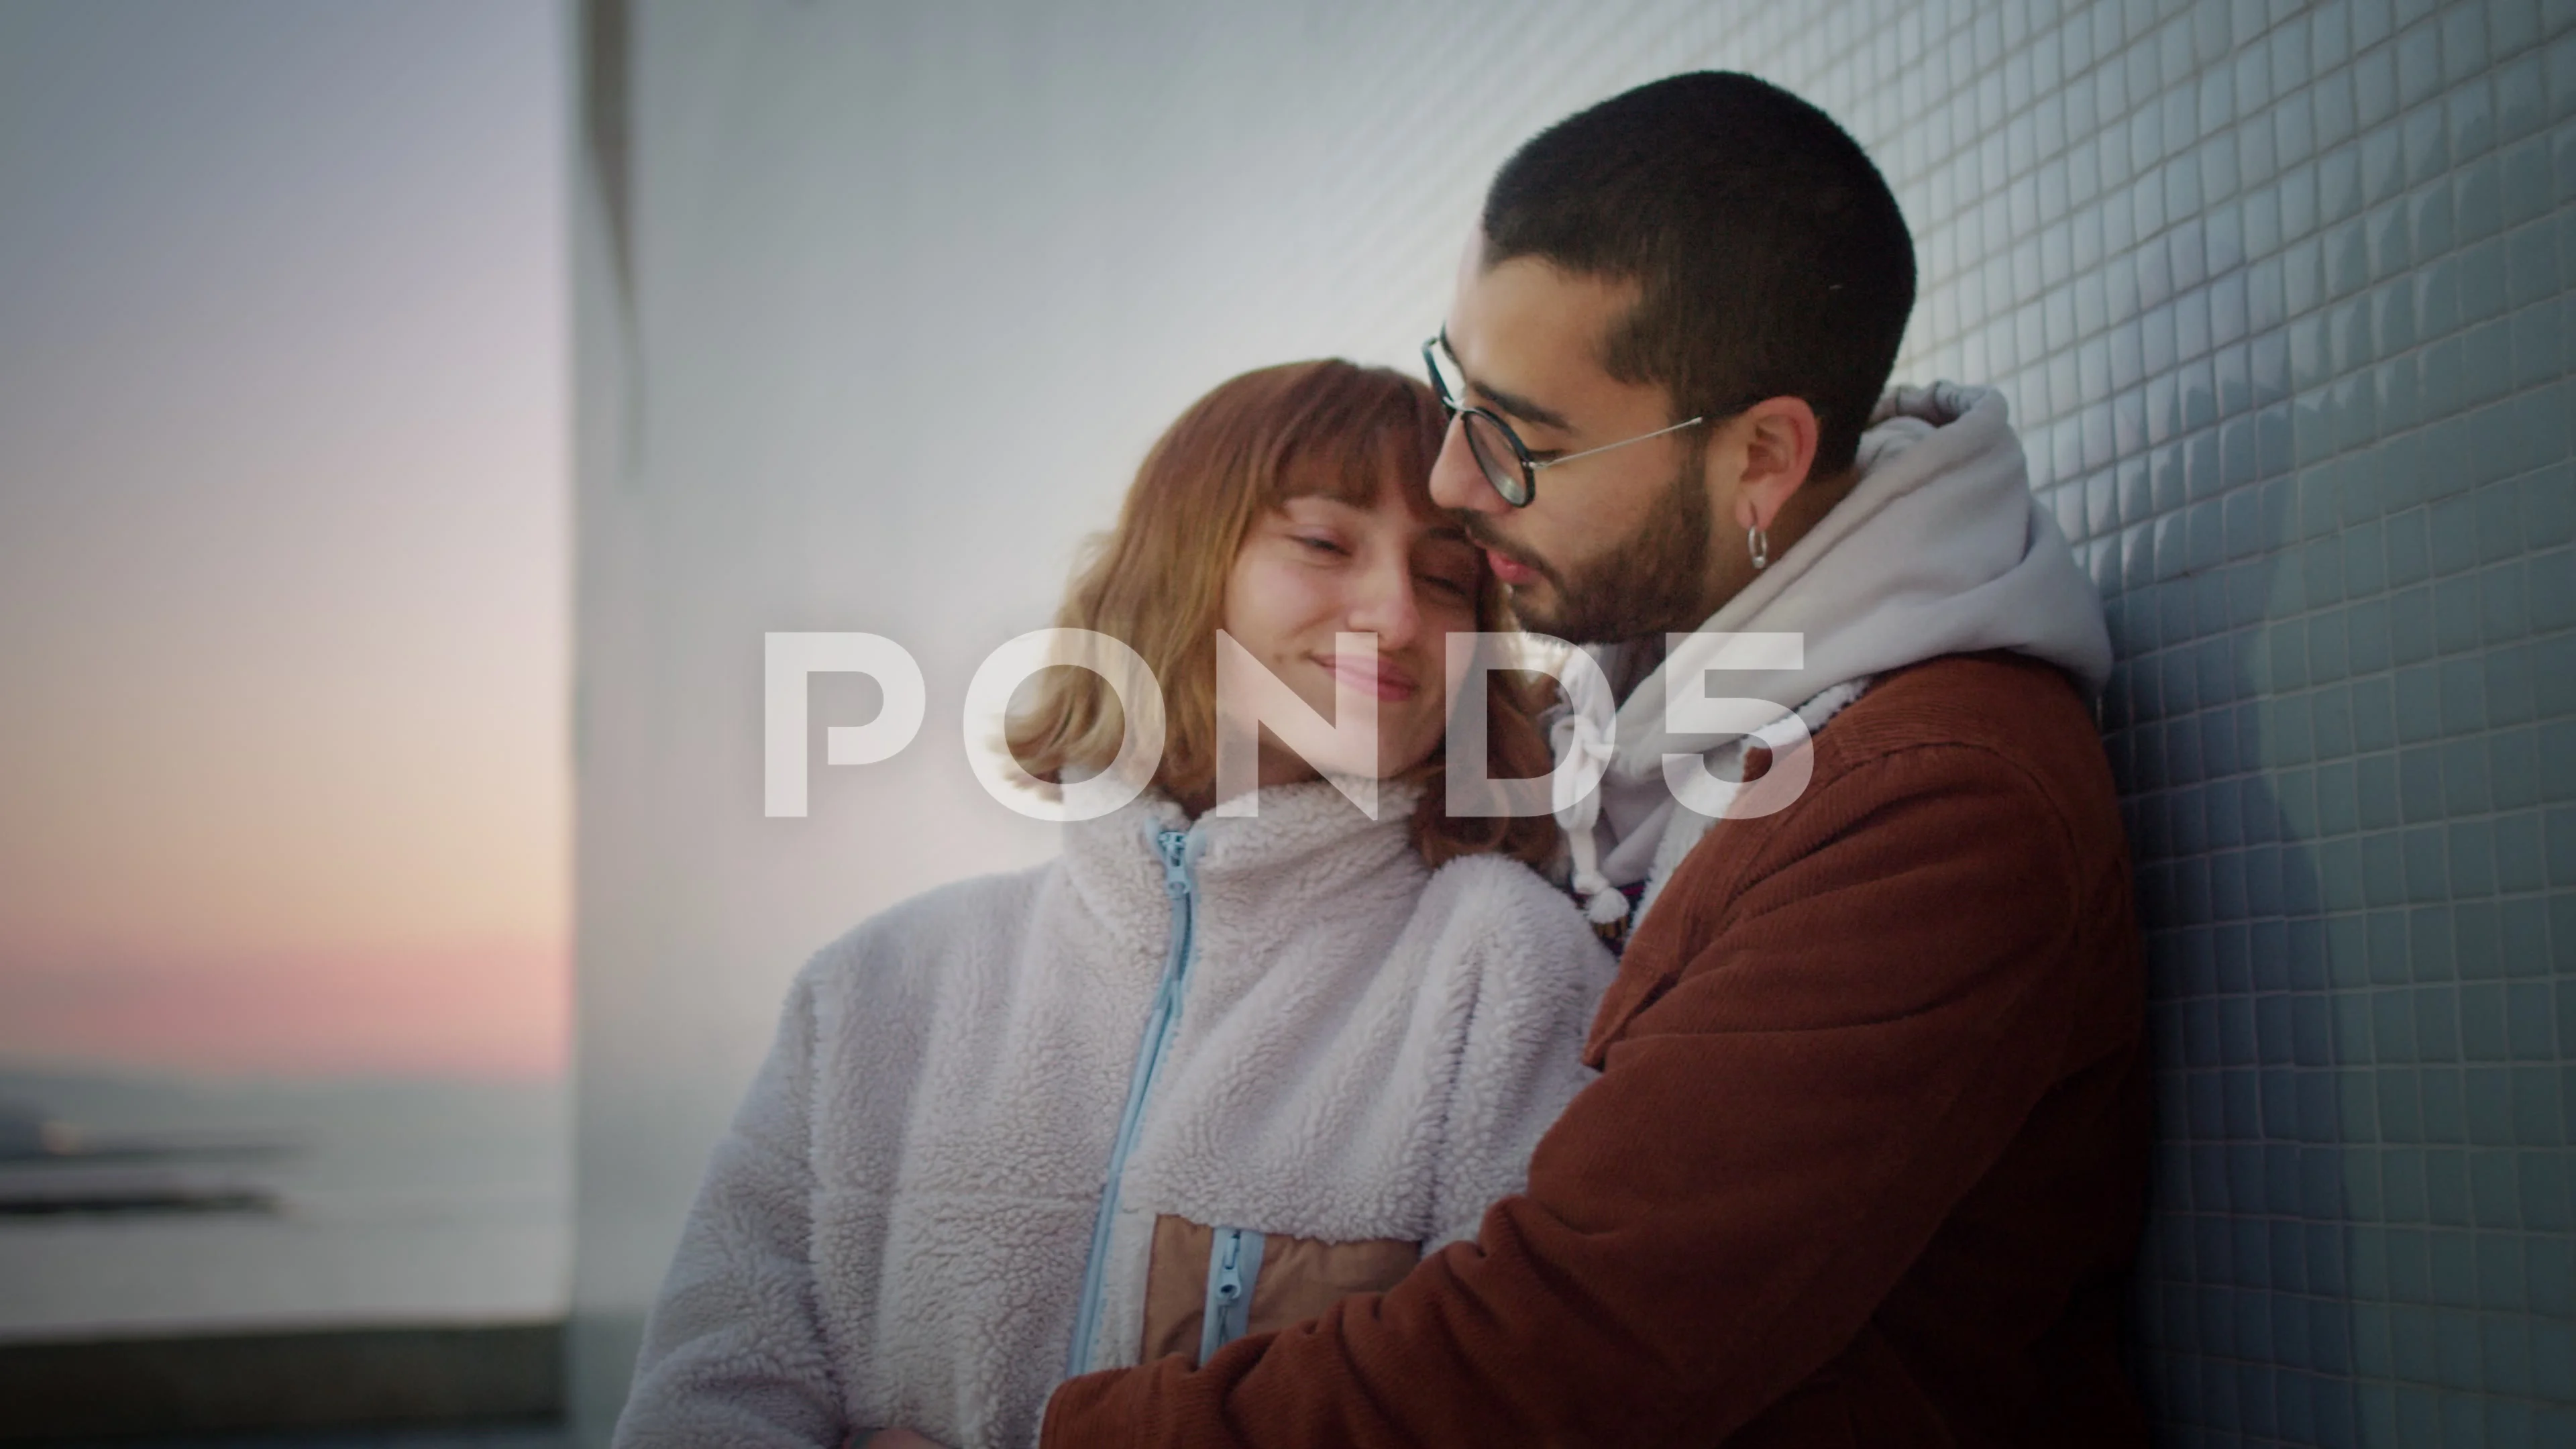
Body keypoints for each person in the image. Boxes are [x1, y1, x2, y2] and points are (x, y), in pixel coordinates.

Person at [1040, 72, 2149, 1446]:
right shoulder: (1645, 717)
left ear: (1763, 460)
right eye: (1462, 391)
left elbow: (1570, 1353)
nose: (1454, 480)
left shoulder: (1939, 806)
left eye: (1524, 443)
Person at [611, 360, 1617, 1449]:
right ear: (1182, 568)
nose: (1397, 614)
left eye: (1445, 579)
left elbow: (1515, 1408)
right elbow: (702, 1401)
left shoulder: (1504, 968)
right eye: (1325, 545)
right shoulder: (876, 989)